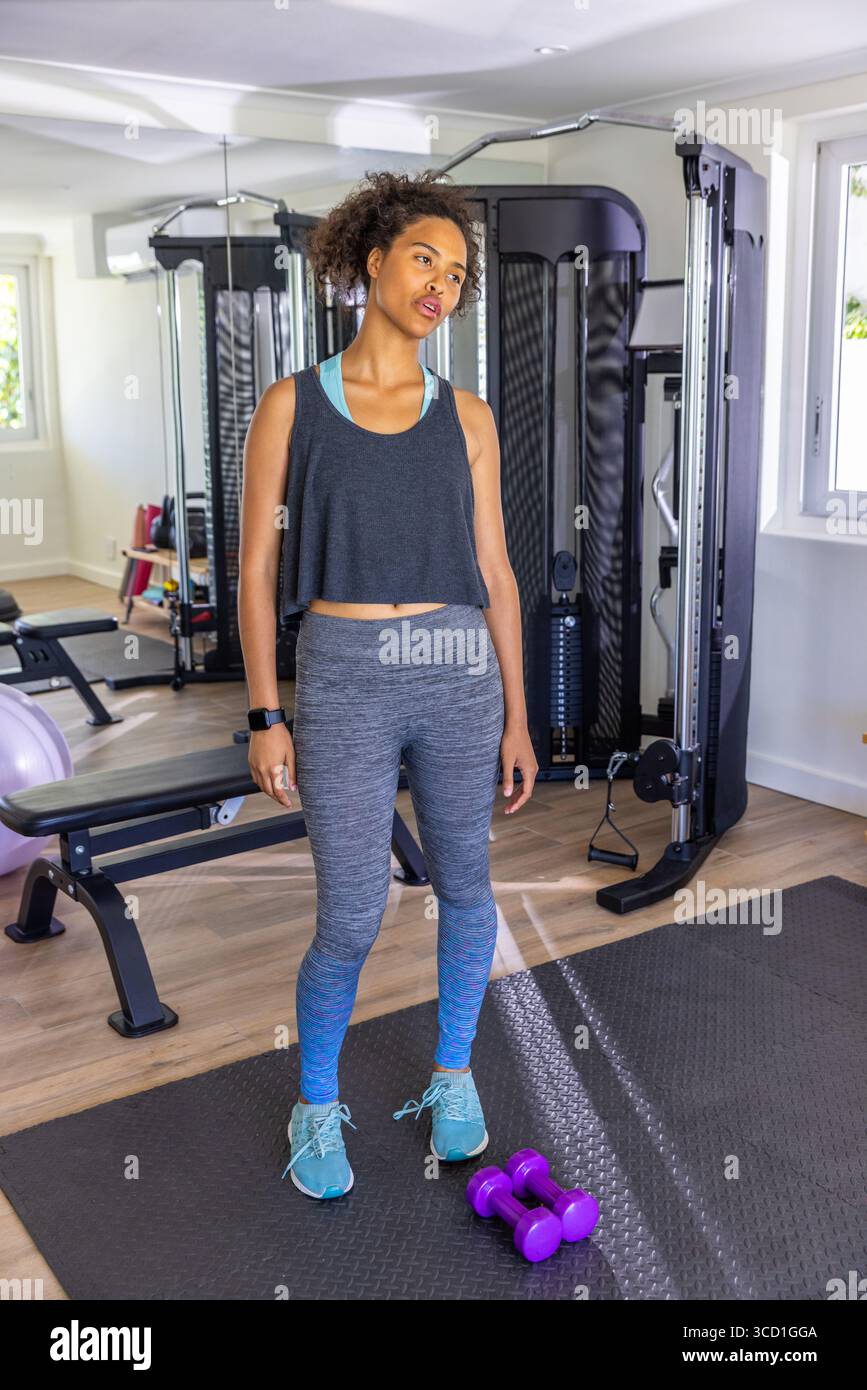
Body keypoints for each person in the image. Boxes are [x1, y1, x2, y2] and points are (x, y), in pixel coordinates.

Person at [238, 168, 537, 1200]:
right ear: (372, 261)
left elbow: (497, 572)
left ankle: (453, 1077)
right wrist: (265, 713)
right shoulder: (291, 404)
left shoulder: (472, 417)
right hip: (344, 675)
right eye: (424, 259)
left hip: (458, 670)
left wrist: (520, 718)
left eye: (456, 273)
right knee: (355, 912)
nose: (440, 285)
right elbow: (258, 572)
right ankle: (315, 1099)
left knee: (467, 888)